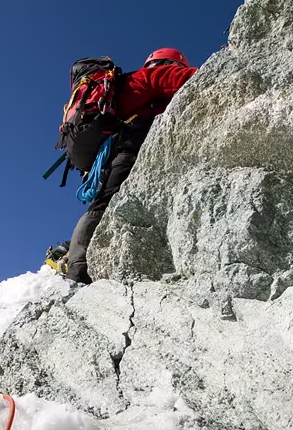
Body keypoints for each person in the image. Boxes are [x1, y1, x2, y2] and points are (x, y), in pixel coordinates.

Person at [65, 48, 197, 284]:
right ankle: (79, 269)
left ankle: (78, 264)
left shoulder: (123, 87)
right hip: (129, 152)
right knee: (105, 204)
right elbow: (188, 79)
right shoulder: (145, 78)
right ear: (168, 64)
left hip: (112, 156)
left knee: (102, 203)